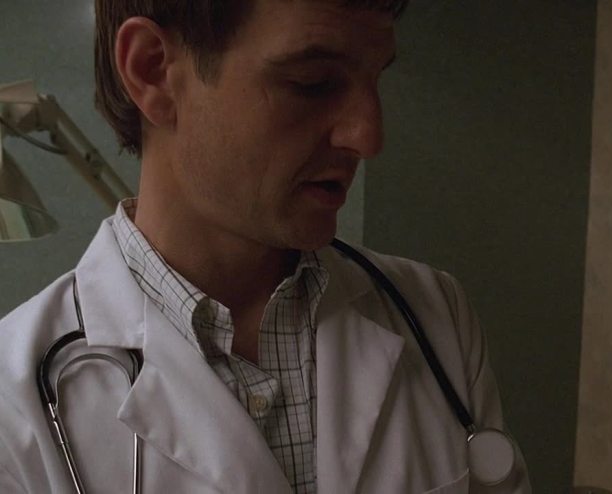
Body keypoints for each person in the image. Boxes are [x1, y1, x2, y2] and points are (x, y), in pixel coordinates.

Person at [0, 1, 531, 492]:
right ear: (153, 70)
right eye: (313, 83)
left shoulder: (435, 315)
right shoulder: (13, 406)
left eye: (376, 80)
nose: (368, 137)